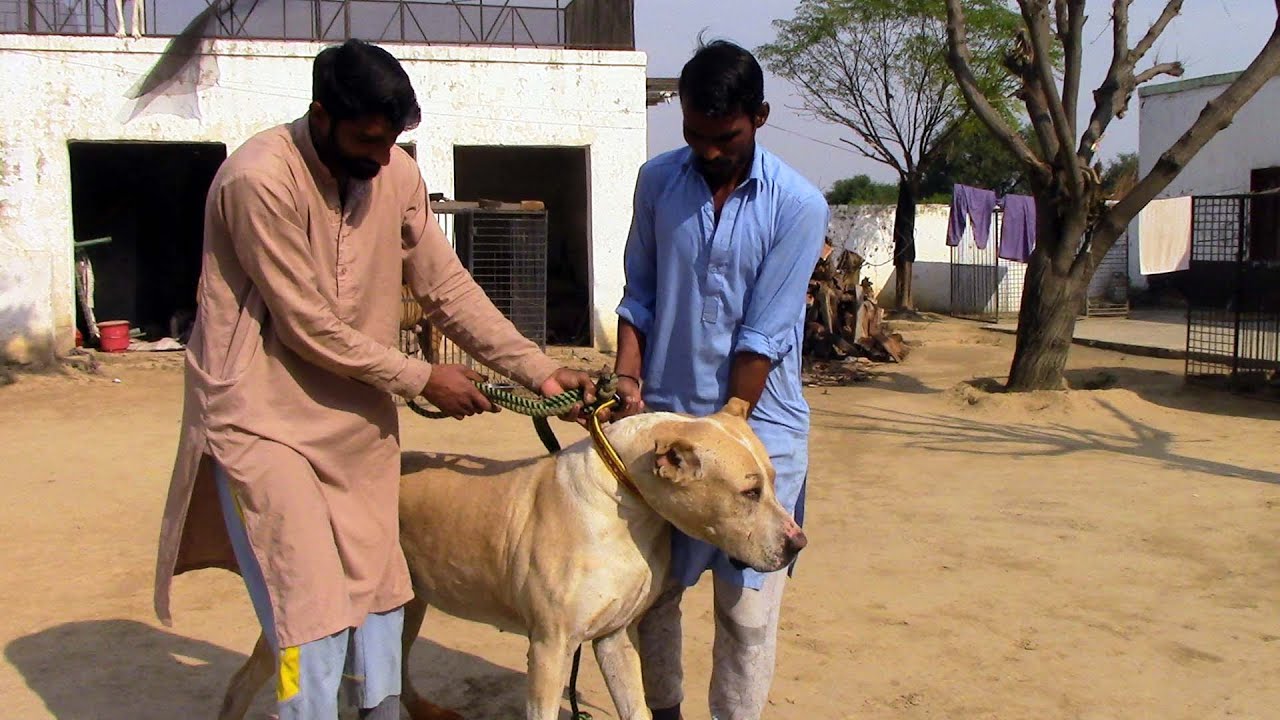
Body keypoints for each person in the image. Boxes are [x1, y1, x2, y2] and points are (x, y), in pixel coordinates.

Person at [152, 39, 593, 720]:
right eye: (367, 138)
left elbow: (447, 287)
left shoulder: (394, 176)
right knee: (310, 613)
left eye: (393, 140)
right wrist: (421, 377)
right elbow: (304, 323)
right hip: (261, 418)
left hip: (354, 419)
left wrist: (537, 370)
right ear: (321, 115)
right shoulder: (258, 179)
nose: (382, 156)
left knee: (384, 593)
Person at [610, 40, 828, 720]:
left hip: (761, 434)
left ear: (758, 117)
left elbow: (765, 331)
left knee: (747, 612)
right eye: (694, 135)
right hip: (669, 434)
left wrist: (731, 423)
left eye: (724, 136)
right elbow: (637, 295)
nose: (707, 150)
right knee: (650, 594)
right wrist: (626, 379)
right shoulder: (656, 182)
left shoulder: (798, 205)